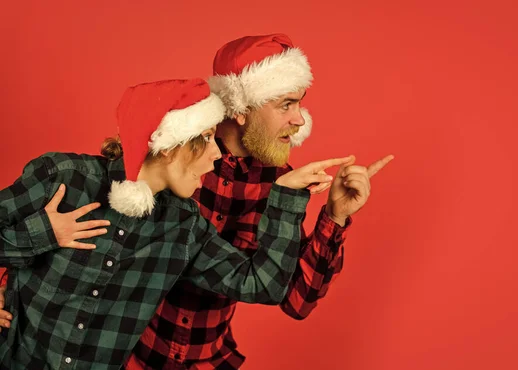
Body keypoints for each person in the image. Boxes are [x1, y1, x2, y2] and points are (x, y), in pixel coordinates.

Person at [0, 78, 349, 370]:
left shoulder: (184, 225)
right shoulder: (64, 178)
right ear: (170, 147)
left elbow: (264, 285)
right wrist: (46, 233)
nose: (217, 154)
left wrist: (285, 197)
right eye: (208, 140)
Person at [125, 34, 394, 369]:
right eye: (286, 104)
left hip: (207, 360)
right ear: (241, 109)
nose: (299, 119)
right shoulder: (179, 157)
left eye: (300, 104)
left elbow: (297, 301)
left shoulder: (280, 183)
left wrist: (335, 216)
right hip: (128, 356)